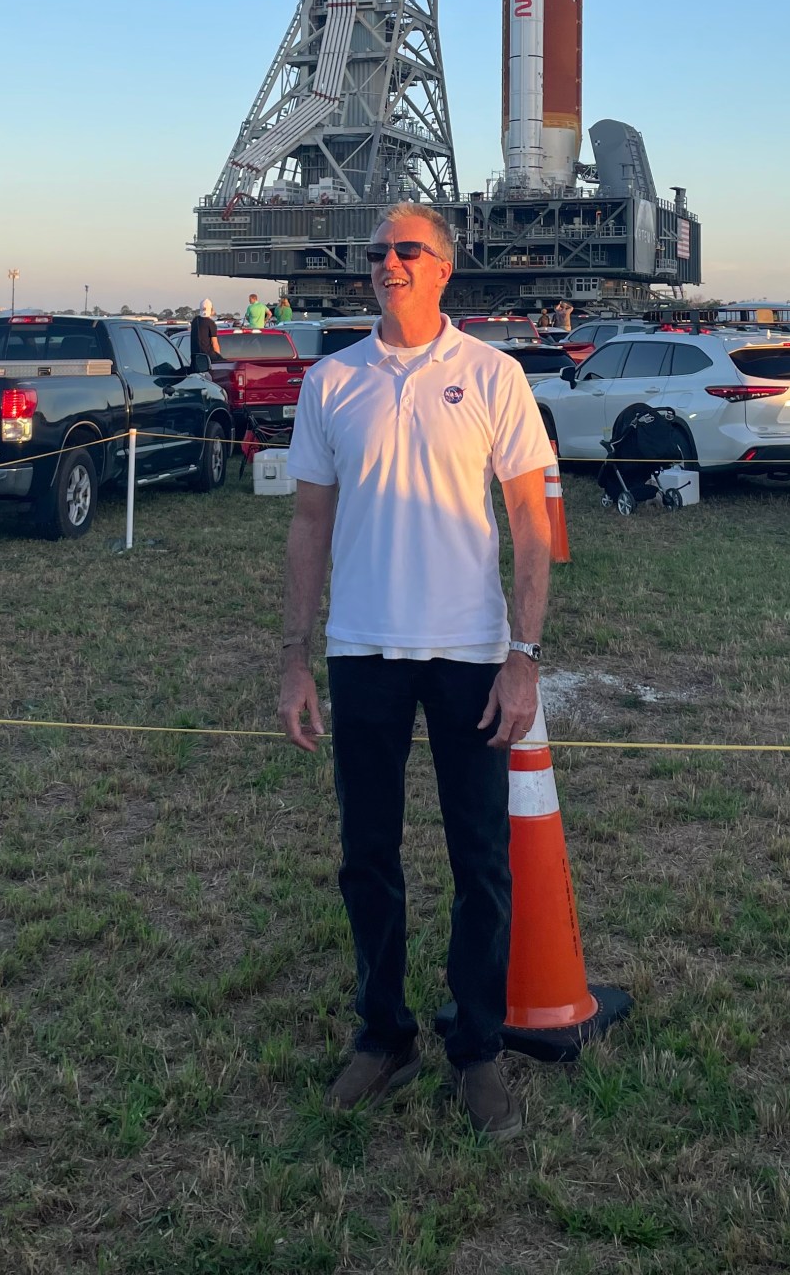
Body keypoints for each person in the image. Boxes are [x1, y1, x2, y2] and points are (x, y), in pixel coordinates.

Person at [279, 201, 553, 1140]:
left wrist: (523, 657)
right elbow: (309, 523)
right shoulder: (332, 381)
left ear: (443, 267)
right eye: (377, 252)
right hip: (362, 651)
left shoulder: (492, 375)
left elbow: (529, 523)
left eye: (405, 250)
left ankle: (476, 1050)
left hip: (471, 655)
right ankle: (384, 1033)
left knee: (481, 860)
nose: (385, 263)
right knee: (367, 855)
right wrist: (294, 658)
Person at [188, 298, 220, 372]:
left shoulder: (195, 321)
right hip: (208, 360)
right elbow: (215, 344)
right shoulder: (211, 323)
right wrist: (219, 359)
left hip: (196, 361)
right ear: (211, 309)